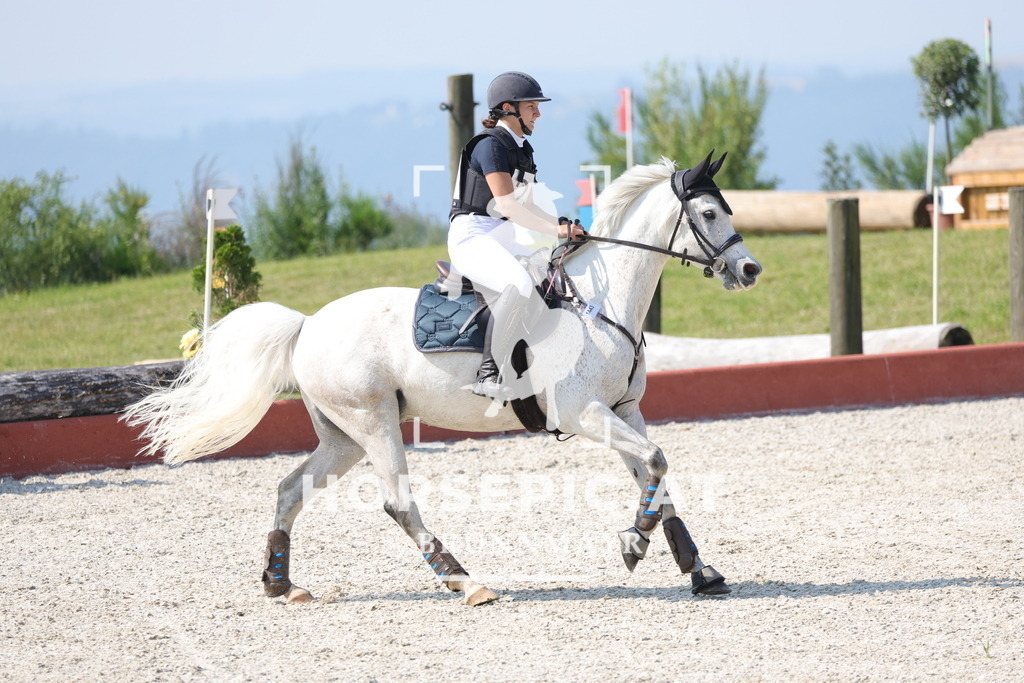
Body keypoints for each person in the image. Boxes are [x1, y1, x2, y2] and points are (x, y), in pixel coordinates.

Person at [448, 71, 585, 400]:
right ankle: (489, 372)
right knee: (519, 285)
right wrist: (555, 229)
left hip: (504, 235)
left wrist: (563, 227)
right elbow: (507, 204)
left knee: (550, 281)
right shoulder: (489, 146)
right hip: (473, 236)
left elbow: (528, 205)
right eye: (532, 106)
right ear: (508, 108)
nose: (538, 112)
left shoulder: (522, 150)